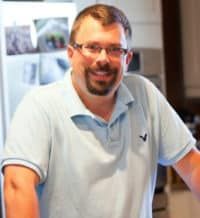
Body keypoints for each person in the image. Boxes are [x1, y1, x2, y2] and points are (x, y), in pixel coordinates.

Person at [1, 3, 200, 218]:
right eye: (92, 47)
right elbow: (17, 186)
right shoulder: (39, 106)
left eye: (115, 49)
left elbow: (193, 166)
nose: (103, 59)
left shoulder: (145, 95)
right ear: (71, 53)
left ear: (127, 59)